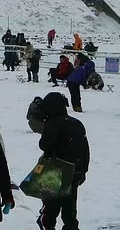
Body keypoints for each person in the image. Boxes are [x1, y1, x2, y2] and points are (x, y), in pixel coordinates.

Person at [36, 92, 89, 230]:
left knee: (51, 206)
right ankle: (71, 227)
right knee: (70, 207)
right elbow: (85, 149)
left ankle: (48, 225)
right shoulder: (76, 123)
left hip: (55, 171)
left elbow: (45, 145)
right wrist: (83, 170)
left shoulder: (52, 123)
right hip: (75, 170)